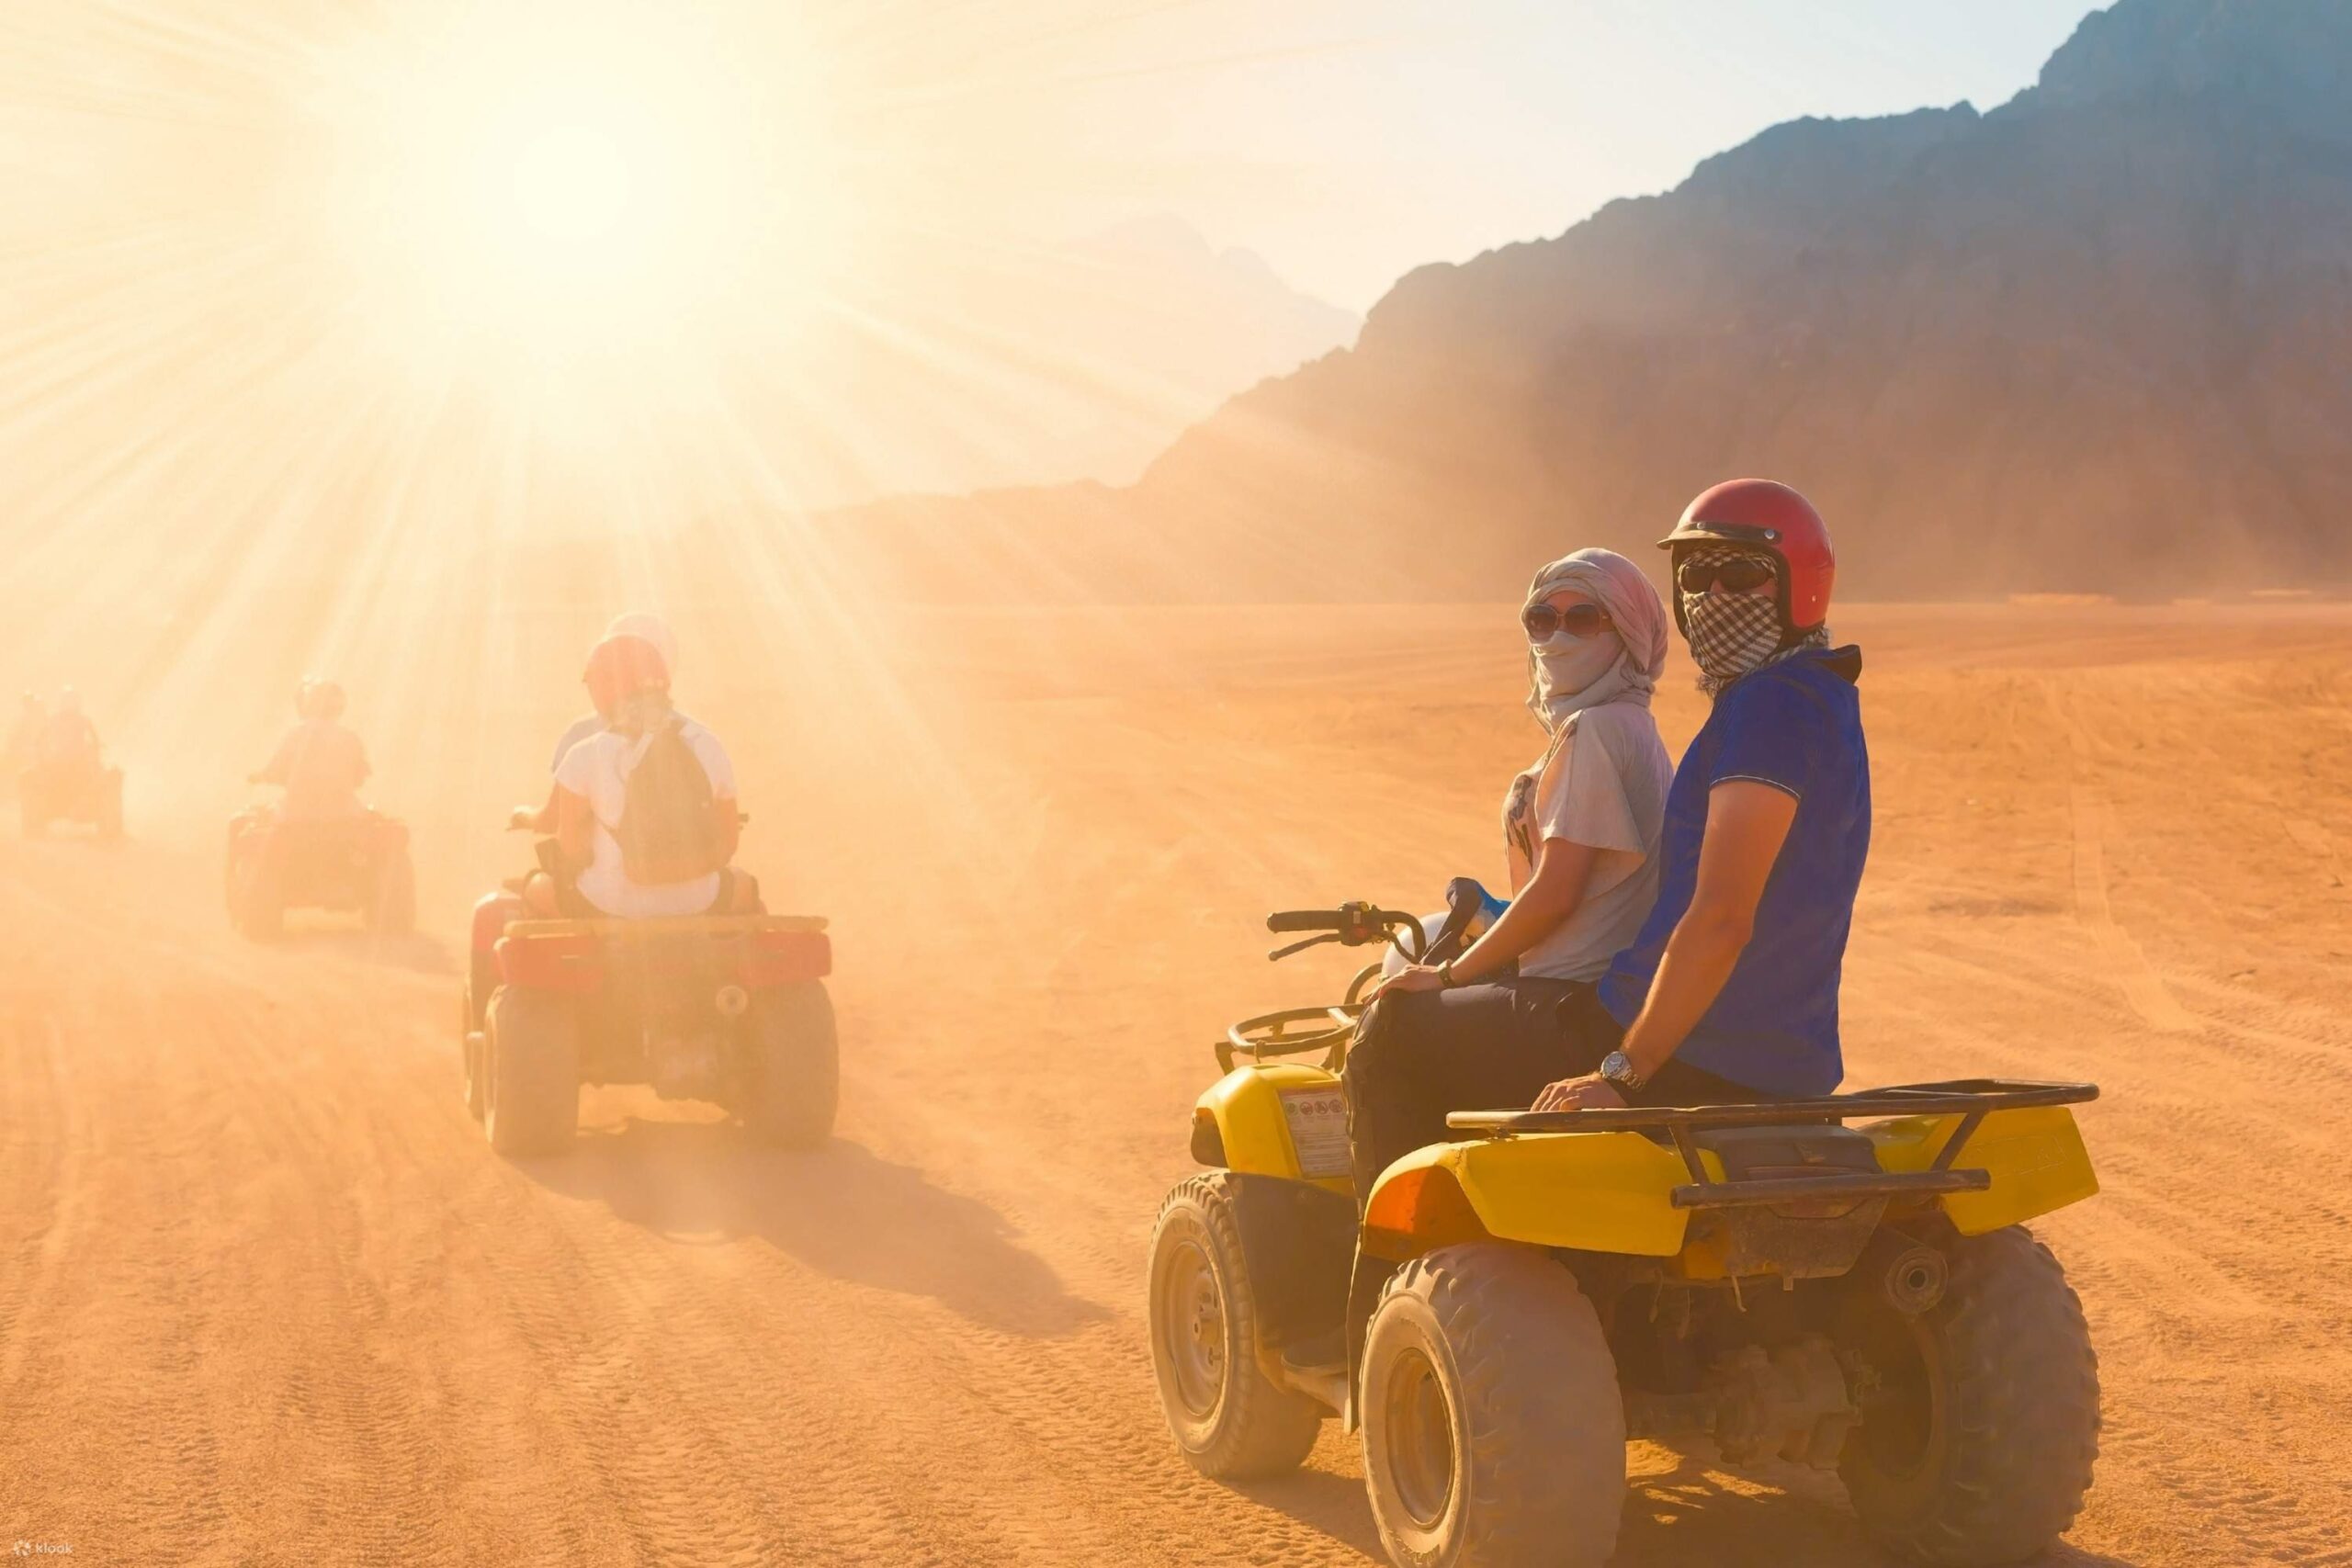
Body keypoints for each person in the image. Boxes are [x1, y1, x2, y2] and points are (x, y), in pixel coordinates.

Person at [1345, 479, 1871, 1200]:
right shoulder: (1819, 696)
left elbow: (1721, 916)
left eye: (1741, 573)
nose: (1712, 596)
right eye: (1694, 576)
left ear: (1800, 585)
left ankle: (1388, 1284)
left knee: (1395, 1032)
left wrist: (1622, 1073)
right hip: (1775, 1047)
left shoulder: (1771, 707)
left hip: (1687, 1046)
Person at [530, 633, 758, 918]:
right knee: (745, 886)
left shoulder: (583, 754)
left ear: (604, 687)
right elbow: (728, 844)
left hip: (610, 908)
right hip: (701, 905)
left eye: (591, 683)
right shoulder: (709, 744)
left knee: (537, 888)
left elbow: (572, 850)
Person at [253, 678, 371, 821]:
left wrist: (257, 777)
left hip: (295, 814)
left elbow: (275, 772)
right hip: (346, 814)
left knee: (243, 821)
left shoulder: (295, 734)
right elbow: (359, 779)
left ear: (307, 704)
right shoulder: (351, 738)